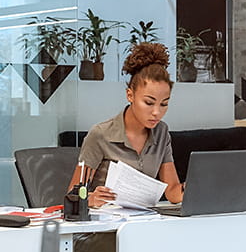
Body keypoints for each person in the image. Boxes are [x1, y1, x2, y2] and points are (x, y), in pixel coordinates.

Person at [71, 42, 184, 208]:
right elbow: (72, 196)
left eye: (164, 104)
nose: (156, 112)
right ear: (130, 95)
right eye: (148, 102)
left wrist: (193, 187)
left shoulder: (161, 132)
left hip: (142, 224)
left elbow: (172, 193)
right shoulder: (101, 134)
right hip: (104, 227)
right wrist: (90, 199)